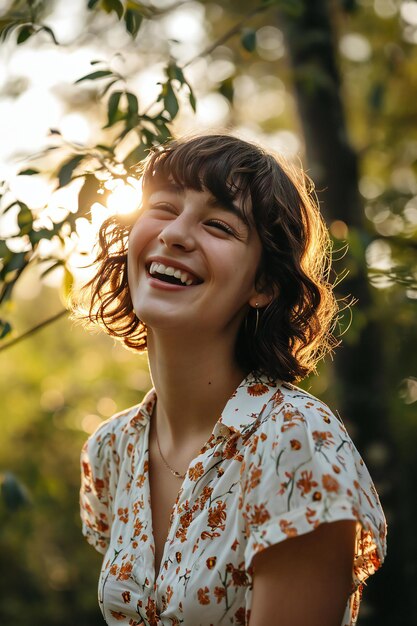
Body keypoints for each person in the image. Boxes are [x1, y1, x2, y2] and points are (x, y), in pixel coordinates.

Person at [78, 133, 386, 626]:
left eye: (219, 225)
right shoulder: (110, 451)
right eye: (162, 207)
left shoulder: (296, 443)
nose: (175, 234)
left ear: (263, 285)